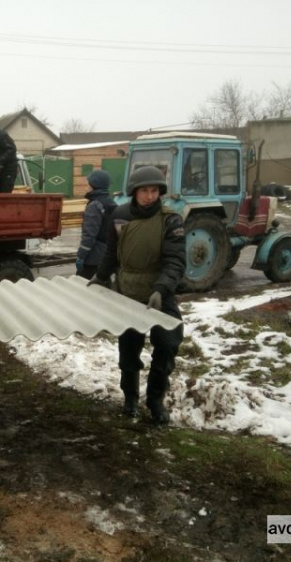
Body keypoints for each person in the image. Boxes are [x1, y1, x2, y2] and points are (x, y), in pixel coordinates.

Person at [89, 166, 186, 424]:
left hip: (158, 293)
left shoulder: (171, 220)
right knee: (129, 348)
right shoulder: (120, 216)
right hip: (128, 292)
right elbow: (112, 252)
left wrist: (161, 289)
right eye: (145, 191)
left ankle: (155, 400)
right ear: (135, 191)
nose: (150, 196)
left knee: (167, 344)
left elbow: (175, 261)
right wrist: (101, 275)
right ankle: (130, 398)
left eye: (155, 191)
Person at [75, 170, 117, 280]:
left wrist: (81, 256)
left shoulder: (94, 205)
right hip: (108, 255)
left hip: (93, 259)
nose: (86, 186)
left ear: (94, 184)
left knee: (82, 287)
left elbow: (89, 236)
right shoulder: (111, 203)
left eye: (88, 183)